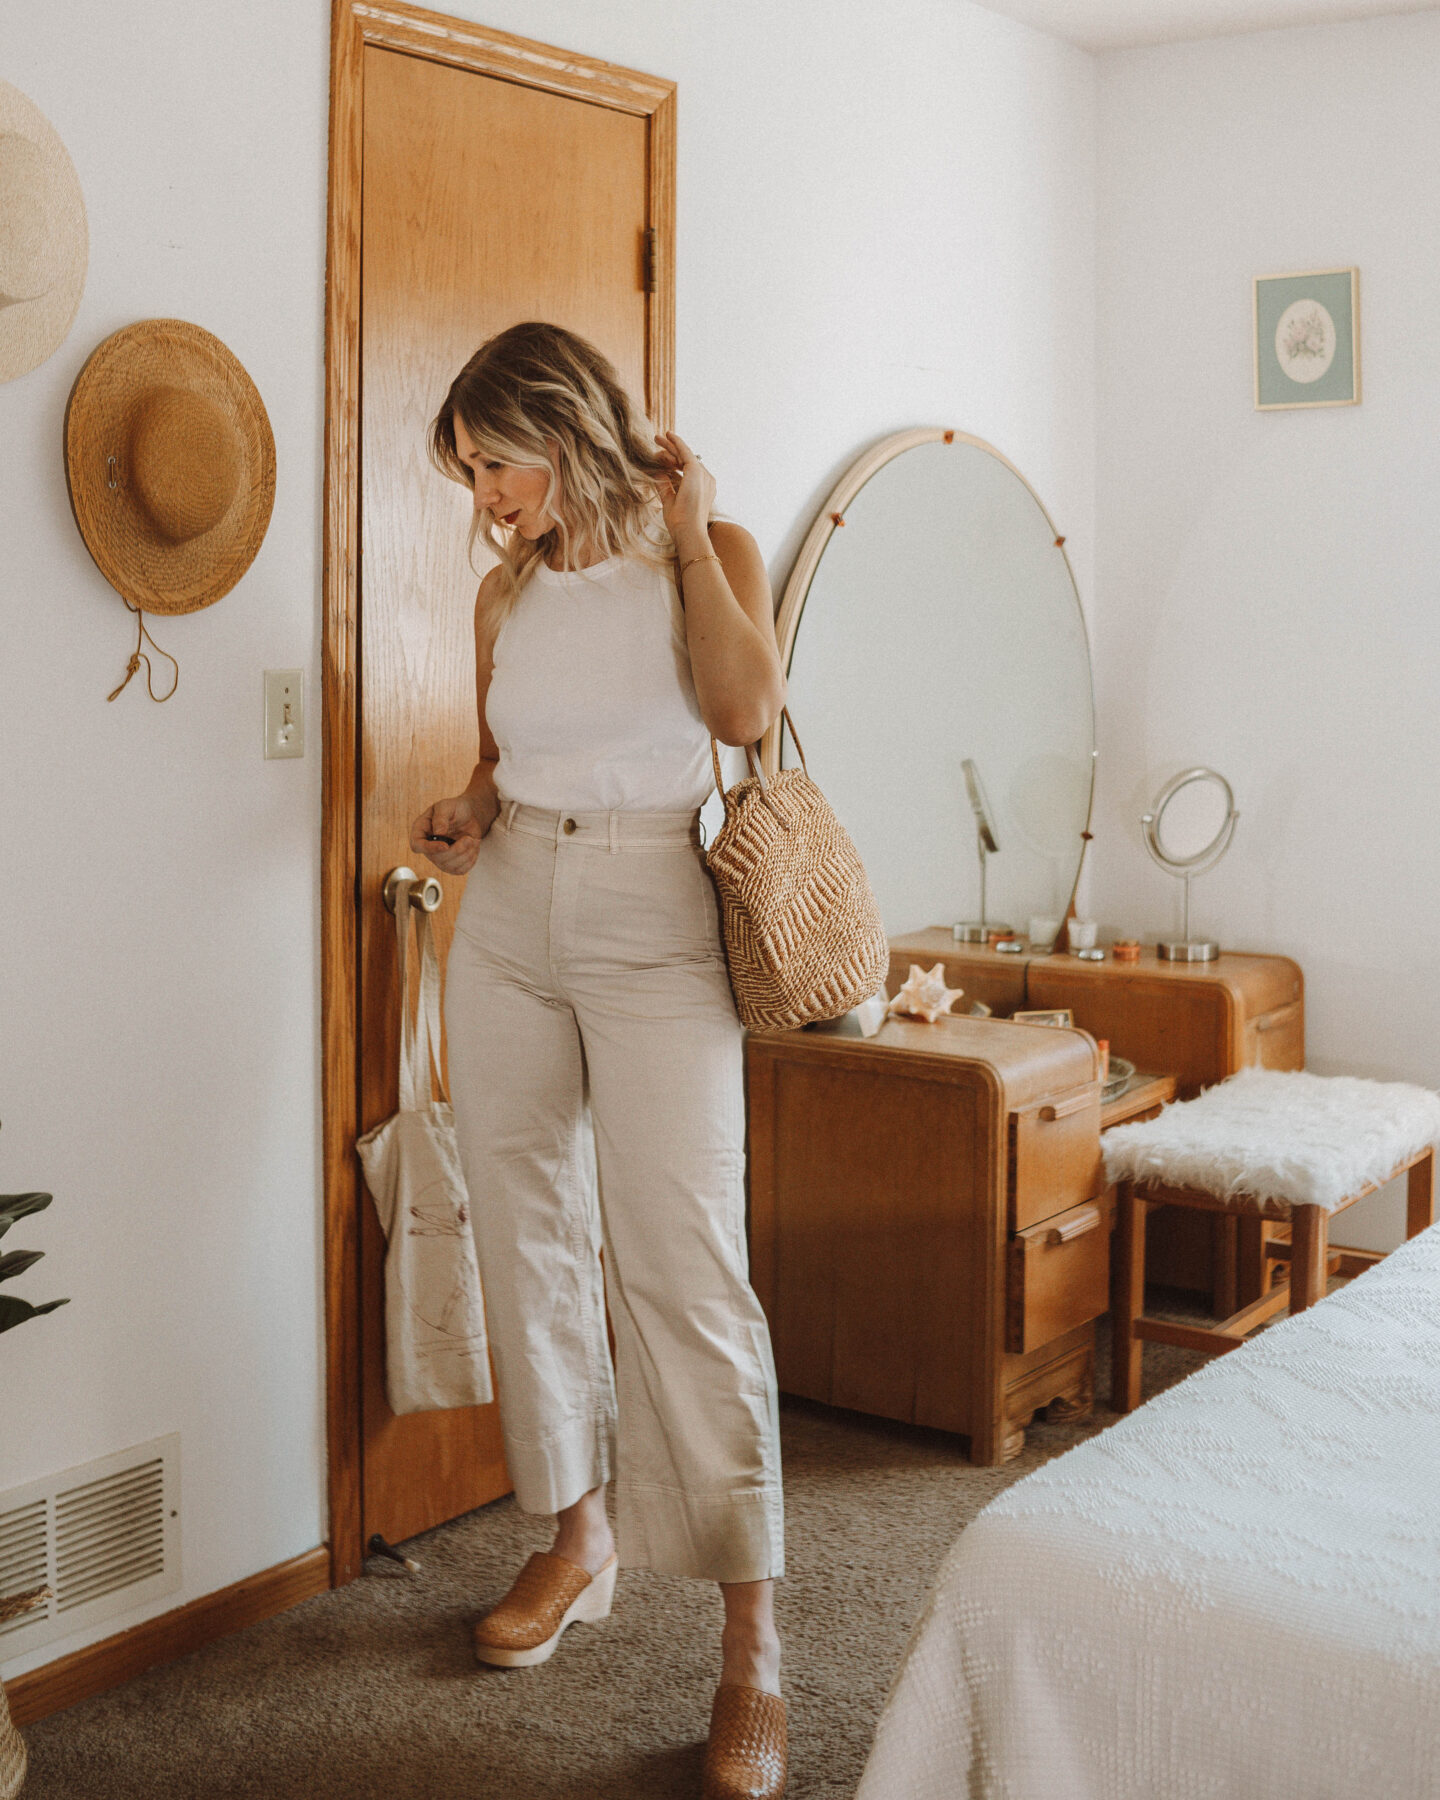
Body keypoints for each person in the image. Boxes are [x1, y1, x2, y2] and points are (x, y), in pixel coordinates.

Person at [410, 321, 789, 1800]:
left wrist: (689, 539)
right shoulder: (507, 591)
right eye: (469, 473)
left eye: (493, 463)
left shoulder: (718, 548)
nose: (484, 499)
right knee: (528, 1230)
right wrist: (466, 806)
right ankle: (578, 1533)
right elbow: (509, 766)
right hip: (508, 915)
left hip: (653, 914)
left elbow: (742, 713)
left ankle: (753, 1651)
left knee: (686, 1267)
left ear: (562, 426)